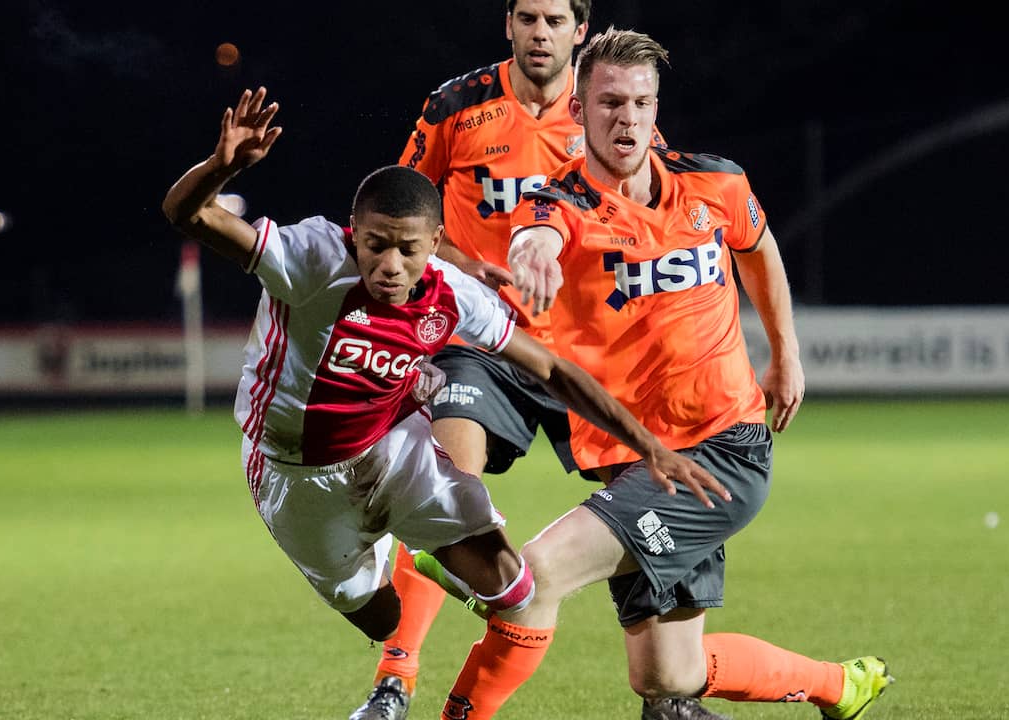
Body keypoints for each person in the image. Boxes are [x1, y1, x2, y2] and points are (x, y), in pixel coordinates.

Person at [160, 86, 728, 720]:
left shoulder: (454, 293)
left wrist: (649, 446)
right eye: (376, 244)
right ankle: (398, 556)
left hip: (395, 448)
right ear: (355, 232)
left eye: (409, 249)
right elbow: (187, 215)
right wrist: (221, 168)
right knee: (384, 618)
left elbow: (553, 370)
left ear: (436, 243)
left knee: (513, 589)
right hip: (295, 473)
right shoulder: (311, 259)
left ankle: (428, 556)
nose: (391, 266)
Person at [417, 29, 894, 720]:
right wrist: (534, 254)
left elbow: (758, 247)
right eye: (609, 102)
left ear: (657, 106)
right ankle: (838, 686)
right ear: (577, 112)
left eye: (641, 102)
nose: (627, 118)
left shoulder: (716, 183)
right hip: (638, 461)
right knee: (669, 675)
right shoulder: (561, 205)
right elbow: (536, 230)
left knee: (535, 576)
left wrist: (785, 351)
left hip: (721, 454)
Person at [352, 2, 667, 718]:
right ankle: (394, 682)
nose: (540, 32)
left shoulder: (606, 112)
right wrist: (466, 270)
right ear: (508, 23)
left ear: (580, 29)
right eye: (528, 16)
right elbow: (400, 212)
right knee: (445, 482)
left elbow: (651, 217)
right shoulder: (457, 106)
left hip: (582, 349)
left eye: (556, 18)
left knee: (650, 496)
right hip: (479, 342)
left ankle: (665, 682)